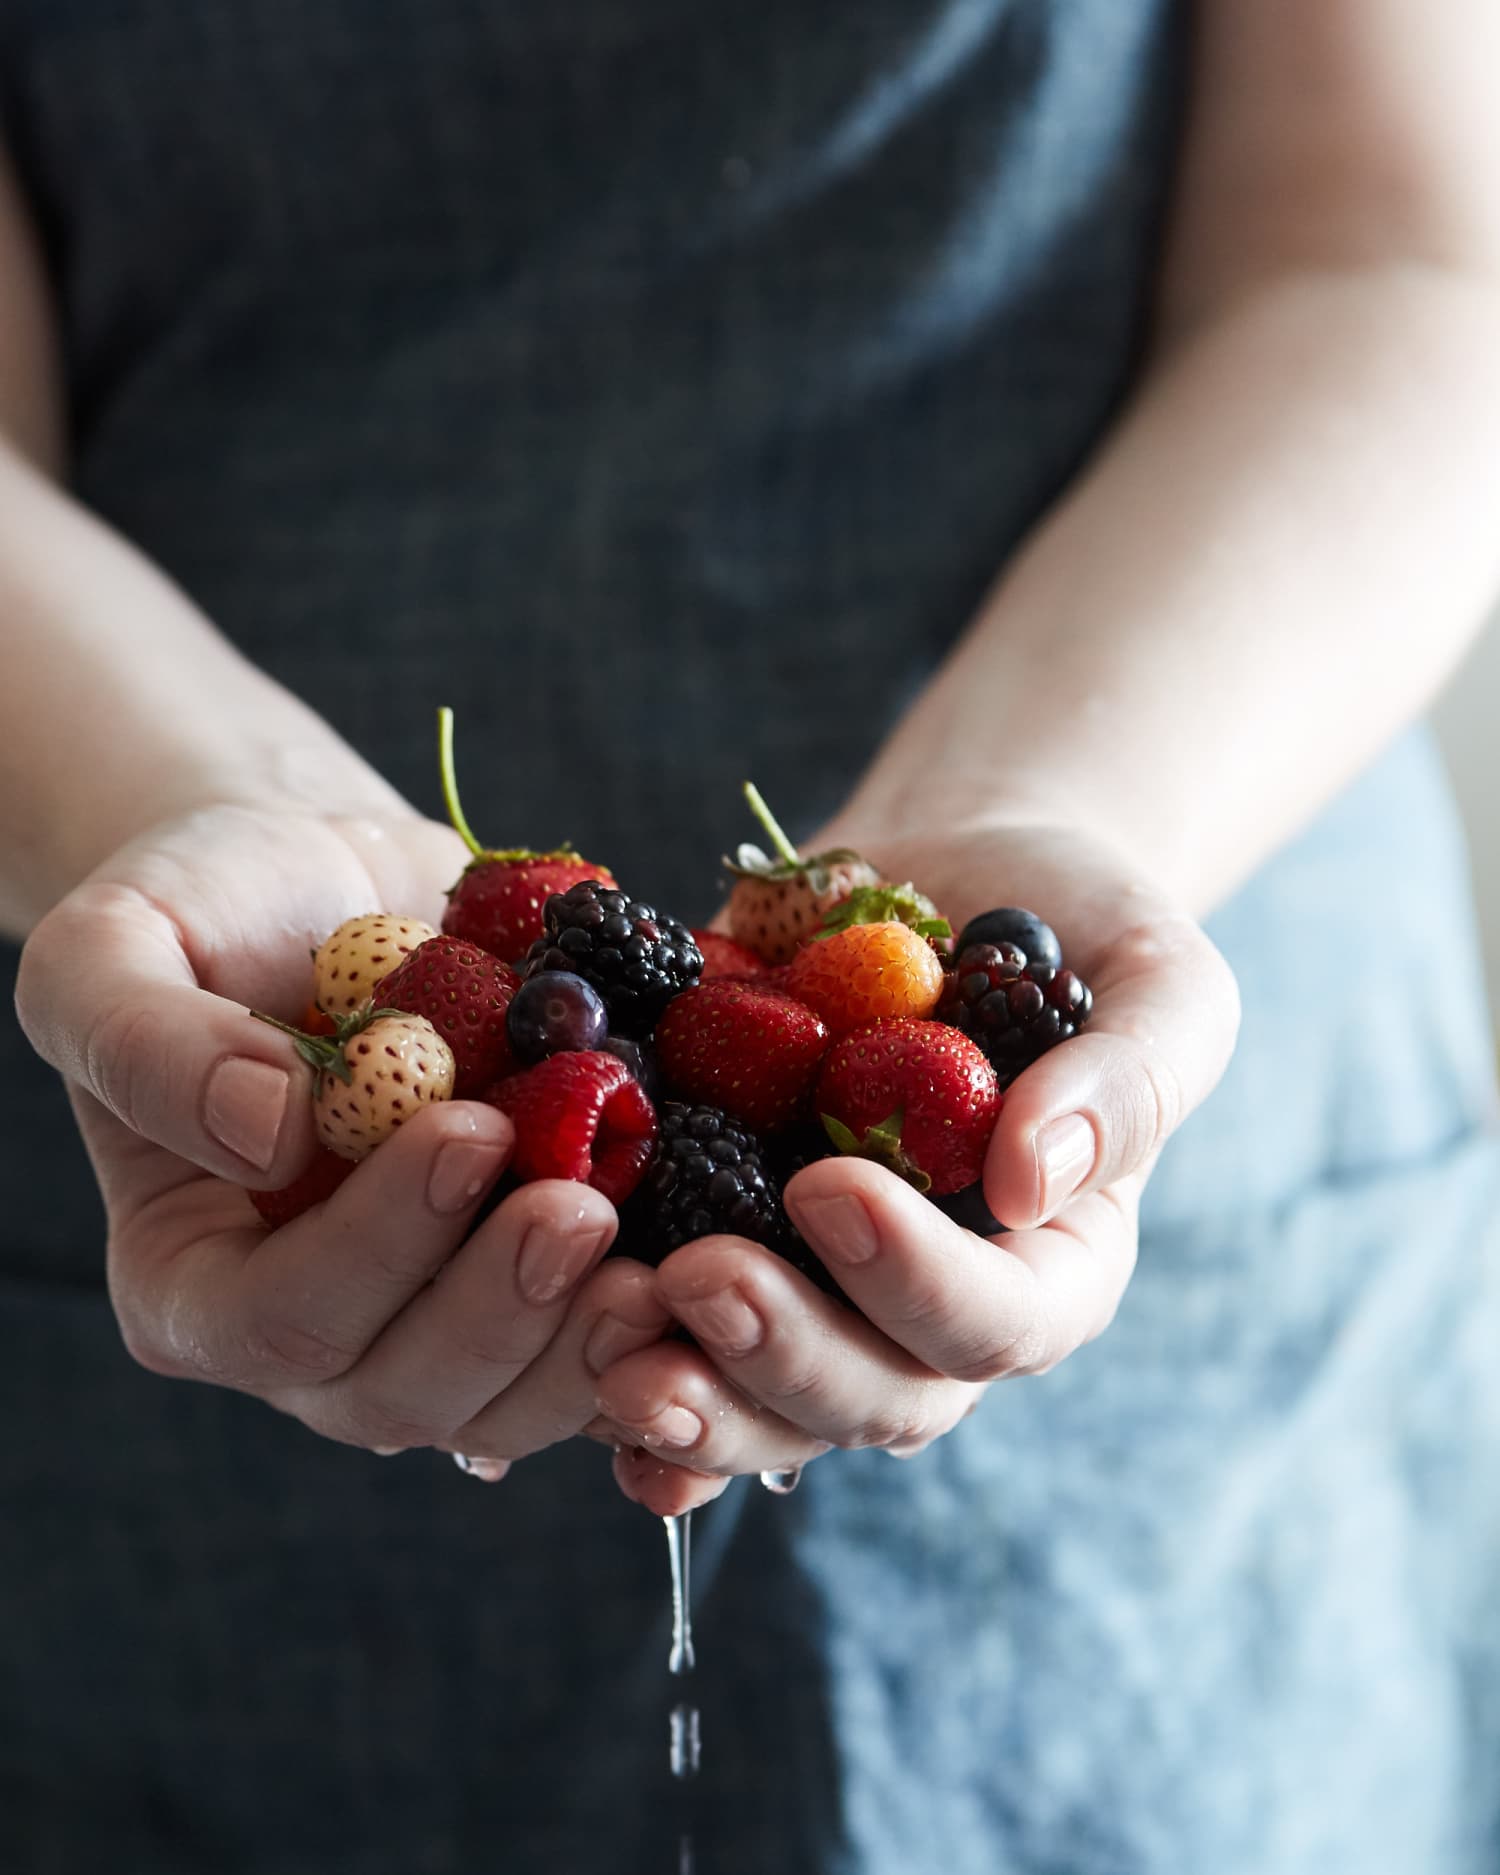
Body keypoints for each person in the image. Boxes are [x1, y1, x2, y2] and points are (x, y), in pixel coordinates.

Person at [4, 2, 1500, 1869]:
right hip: (228, 1179)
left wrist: (1072, 815)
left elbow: (1389, 251)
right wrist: (164, 793)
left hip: (1196, 1079)